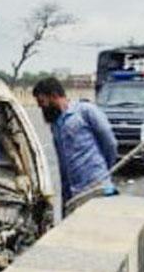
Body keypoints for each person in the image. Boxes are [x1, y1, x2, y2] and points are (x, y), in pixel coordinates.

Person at [32, 77, 119, 213]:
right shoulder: (56, 126)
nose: (40, 106)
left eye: (42, 101)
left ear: (54, 96)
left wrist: (103, 171)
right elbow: (63, 165)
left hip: (97, 187)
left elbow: (110, 143)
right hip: (75, 195)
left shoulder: (85, 111)